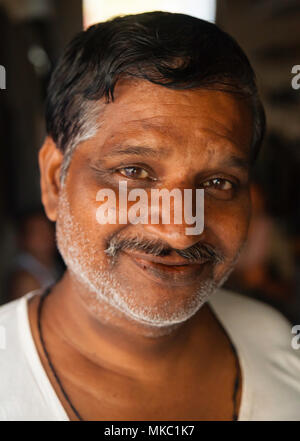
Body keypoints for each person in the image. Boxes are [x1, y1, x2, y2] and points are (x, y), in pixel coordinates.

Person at [0, 11, 299, 421]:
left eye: (217, 183)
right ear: (55, 180)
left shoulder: (281, 346)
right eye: (134, 172)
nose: (179, 233)